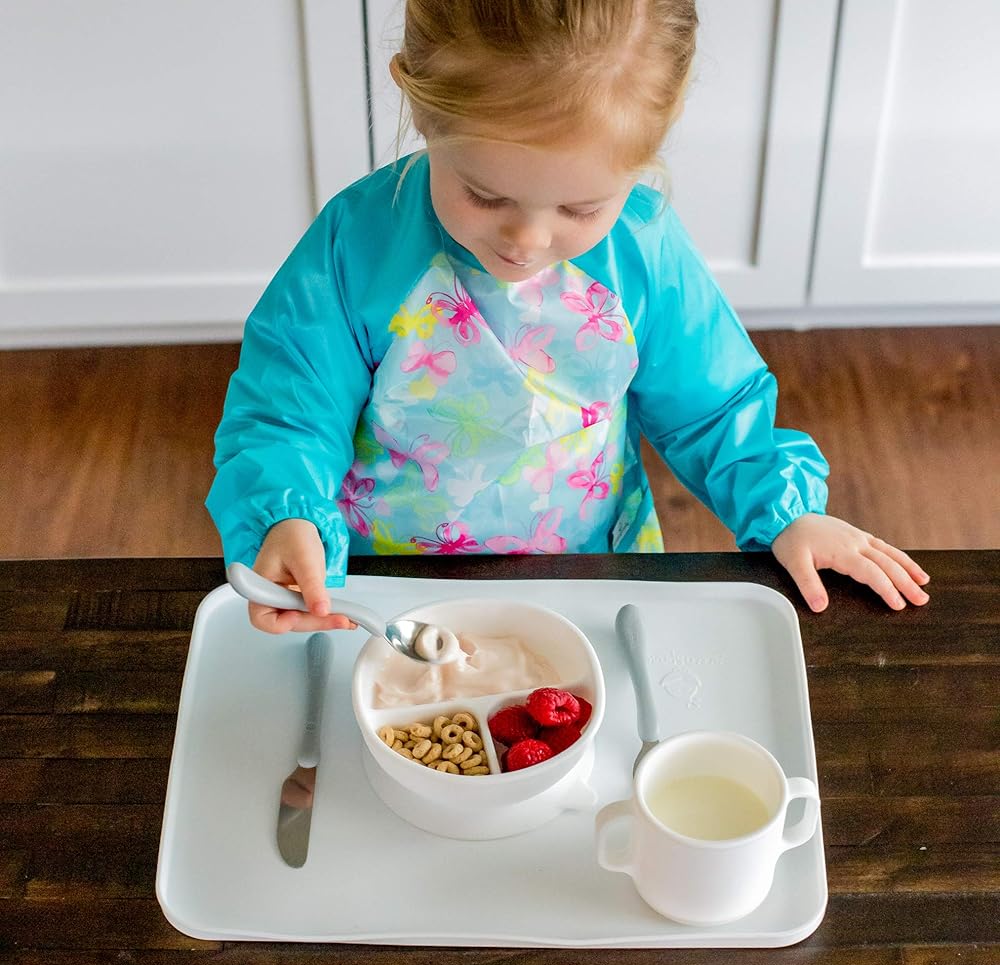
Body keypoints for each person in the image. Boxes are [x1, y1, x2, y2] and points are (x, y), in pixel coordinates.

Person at [208, 0, 929, 636]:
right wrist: (286, 513)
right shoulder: (356, 246)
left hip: (591, 574)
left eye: (580, 209)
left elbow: (714, 410)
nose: (526, 240)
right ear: (420, 106)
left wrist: (787, 511)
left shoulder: (641, 250)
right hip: (386, 590)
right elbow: (288, 412)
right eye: (485, 195)